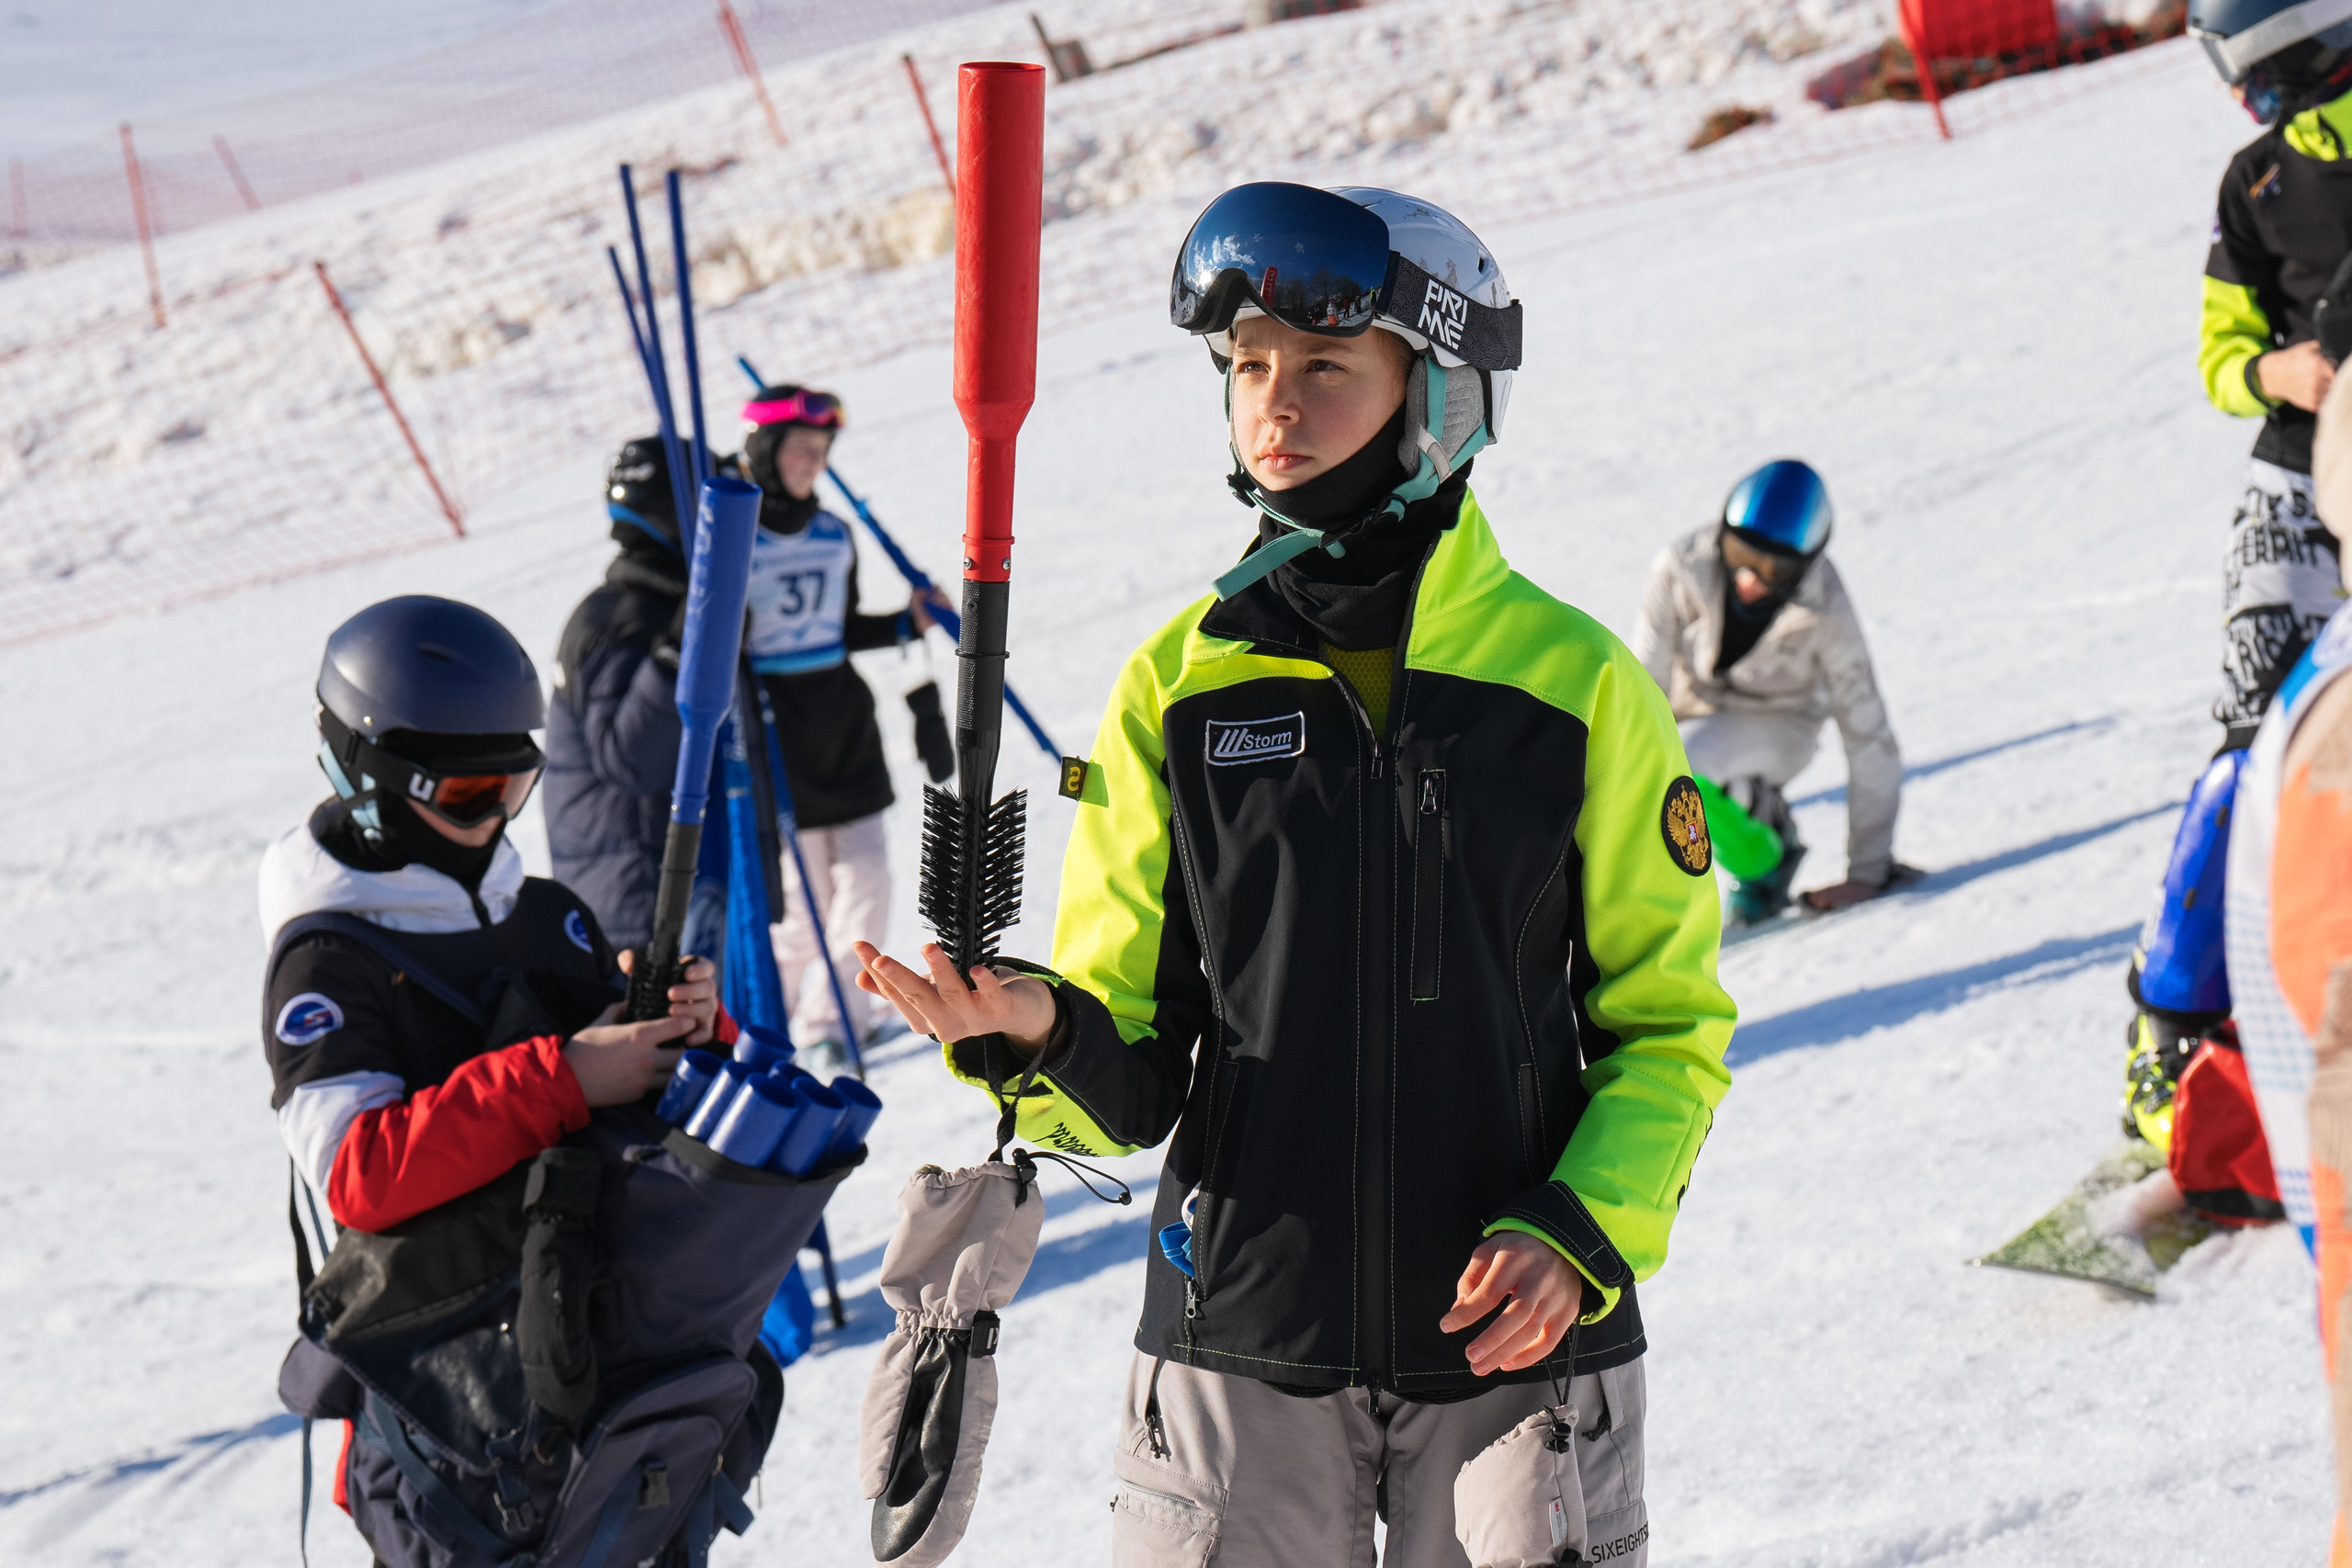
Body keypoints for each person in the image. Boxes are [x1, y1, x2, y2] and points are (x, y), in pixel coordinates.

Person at [856, 182, 1733, 1568]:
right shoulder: (1180, 687)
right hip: (1241, 1346)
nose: (1276, 402)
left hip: (1519, 1347)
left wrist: (1580, 1231)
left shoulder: (1572, 688)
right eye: (1249, 365)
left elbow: (1668, 1028)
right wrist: (1039, 1032)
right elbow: (1129, 1076)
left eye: (1326, 364)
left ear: (1441, 391)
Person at [259, 594, 733, 1559]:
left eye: (511, 792)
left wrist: (685, 1028)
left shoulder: (548, 913)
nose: (491, 823)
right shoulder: (326, 962)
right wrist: (562, 1077)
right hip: (450, 1415)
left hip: (599, 1377)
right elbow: (359, 1173)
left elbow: (642, 1101)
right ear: (369, 776)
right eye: (464, 798)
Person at [2126, 0, 2352, 1149]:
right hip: (2298, 478)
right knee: (2253, 740)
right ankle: (2172, 1019)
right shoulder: (2257, 182)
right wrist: (2281, 369)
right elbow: (2219, 355)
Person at [738, 384, 947, 1060]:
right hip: (777, 728)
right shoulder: (735, 538)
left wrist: (904, 621)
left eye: (823, 451)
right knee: (801, 903)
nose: (814, 464)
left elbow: (839, 627)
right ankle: (774, 1023)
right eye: (802, 449)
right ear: (767, 451)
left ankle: (839, 1020)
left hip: (843, 723)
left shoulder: (834, 533)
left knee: (869, 877)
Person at [1630, 460, 1905, 926]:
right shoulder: (1680, 566)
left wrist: (1868, 872)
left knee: (1683, 767)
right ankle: (1612, 914)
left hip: (1782, 725)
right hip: (1688, 715)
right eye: (1742, 554)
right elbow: (1642, 687)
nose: (1751, 579)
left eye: (1775, 569)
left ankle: (1765, 863)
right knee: (1636, 765)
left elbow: (1868, 736)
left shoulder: (1827, 609)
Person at [544, 435, 784, 959]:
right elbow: (630, 760)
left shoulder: (676, 606)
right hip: (642, 908)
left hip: (701, 887)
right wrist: (682, 647)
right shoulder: (618, 621)